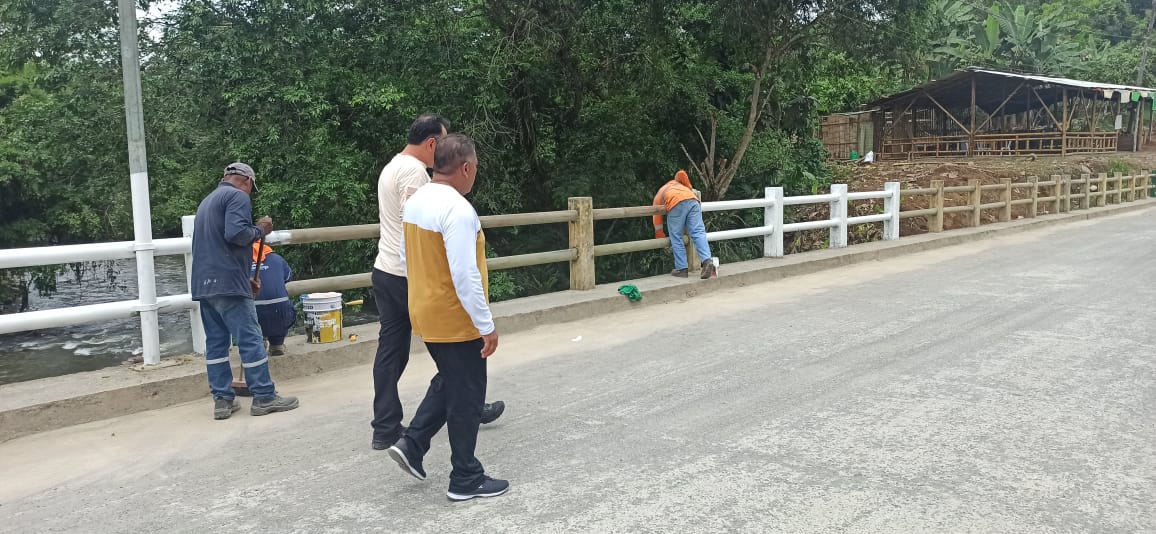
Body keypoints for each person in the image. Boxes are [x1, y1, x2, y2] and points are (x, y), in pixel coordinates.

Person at [370, 114, 504, 451]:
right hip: (417, 278)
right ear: (432, 144)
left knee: (394, 352)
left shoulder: (391, 167)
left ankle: (391, 429)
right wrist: (485, 323)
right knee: (458, 366)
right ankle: (457, 452)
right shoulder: (420, 179)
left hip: (388, 270)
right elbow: (453, 258)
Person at [191, 162, 299, 420]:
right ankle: (264, 396)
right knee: (250, 339)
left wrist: (246, 279)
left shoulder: (207, 202)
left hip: (205, 283)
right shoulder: (237, 196)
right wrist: (261, 230)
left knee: (216, 343)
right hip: (228, 283)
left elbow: (219, 245)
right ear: (247, 181)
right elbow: (236, 234)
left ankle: (222, 400)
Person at [652, 170, 717, 279]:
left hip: (675, 202)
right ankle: (707, 261)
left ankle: (682, 269)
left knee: (676, 237)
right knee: (698, 232)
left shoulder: (660, 194)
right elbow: (682, 173)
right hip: (693, 200)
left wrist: (659, 234)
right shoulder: (682, 186)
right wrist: (689, 187)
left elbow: (656, 217)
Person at [251, 241, 296, 356]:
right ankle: (277, 344)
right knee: (283, 305)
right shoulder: (277, 259)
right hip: (282, 315)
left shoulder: (239, 260)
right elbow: (288, 277)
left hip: (253, 315)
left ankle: (257, 343)